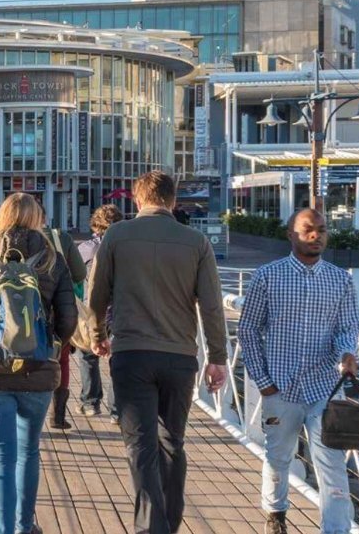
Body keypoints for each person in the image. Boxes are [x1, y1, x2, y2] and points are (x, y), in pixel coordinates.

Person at [86, 171, 227, 534]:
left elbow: (96, 296)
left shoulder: (116, 236)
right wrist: (217, 358)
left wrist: (98, 335)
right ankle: (169, 522)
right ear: (173, 201)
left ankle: (152, 527)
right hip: (179, 357)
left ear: (136, 200)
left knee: (140, 443)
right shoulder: (196, 242)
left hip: (131, 353)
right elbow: (211, 306)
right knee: (172, 442)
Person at [0, 192, 77, 534]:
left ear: (1, 217)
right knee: (28, 452)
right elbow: (68, 321)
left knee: (0, 459)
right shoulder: (53, 259)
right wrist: (50, 345)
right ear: (37, 217)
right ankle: (25, 526)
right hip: (39, 371)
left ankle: (2, 531)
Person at [237, 208, 359, 534]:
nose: (315, 235)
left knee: (333, 466)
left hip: (325, 388)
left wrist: (348, 352)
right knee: (278, 457)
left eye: (321, 229)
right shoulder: (267, 276)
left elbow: (347, 328)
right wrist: (263, 381)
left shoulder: (340, 280)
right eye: (307, 229)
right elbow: (248, 329)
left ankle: (335, 530)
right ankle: (275, 514)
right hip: (280, 386)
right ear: (290, 234)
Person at [76, 203, 123, 417]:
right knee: (118, 359)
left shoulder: (87, 248)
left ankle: (90, 402)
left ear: (96, 226)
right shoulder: (126, 248)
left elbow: (74, 274)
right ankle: (117, 410)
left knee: (87, 355)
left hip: (91, 310)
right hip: (120, 310)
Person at [44, 213, 87, 431]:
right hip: (58, 310)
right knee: (61, 359)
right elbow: (80, 273)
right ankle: (57, 416)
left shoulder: (6, 238)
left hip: (20, 313)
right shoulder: (60, 238)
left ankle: (25, 416)